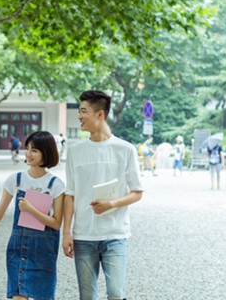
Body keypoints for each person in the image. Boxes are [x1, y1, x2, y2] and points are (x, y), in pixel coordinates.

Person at [63, 90, 143, 300]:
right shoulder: (75, 151)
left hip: (115, 234)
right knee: (87, 297)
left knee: (116, 293)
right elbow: (69, 194)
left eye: (83, 111)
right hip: (84, 236)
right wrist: (66, 232)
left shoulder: (125, 149)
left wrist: (111, 204)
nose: (79, 116)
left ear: (100, 114)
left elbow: (137, 192)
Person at [0, 131, 65, 300]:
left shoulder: (55, 185)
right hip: (17, 248)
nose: (28, 153)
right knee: (18, 297)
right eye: (27, 148)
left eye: (34, 150)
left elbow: (56, 223)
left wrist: (30, 209)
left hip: (43, 251)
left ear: (47, 152)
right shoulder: (15, 180)